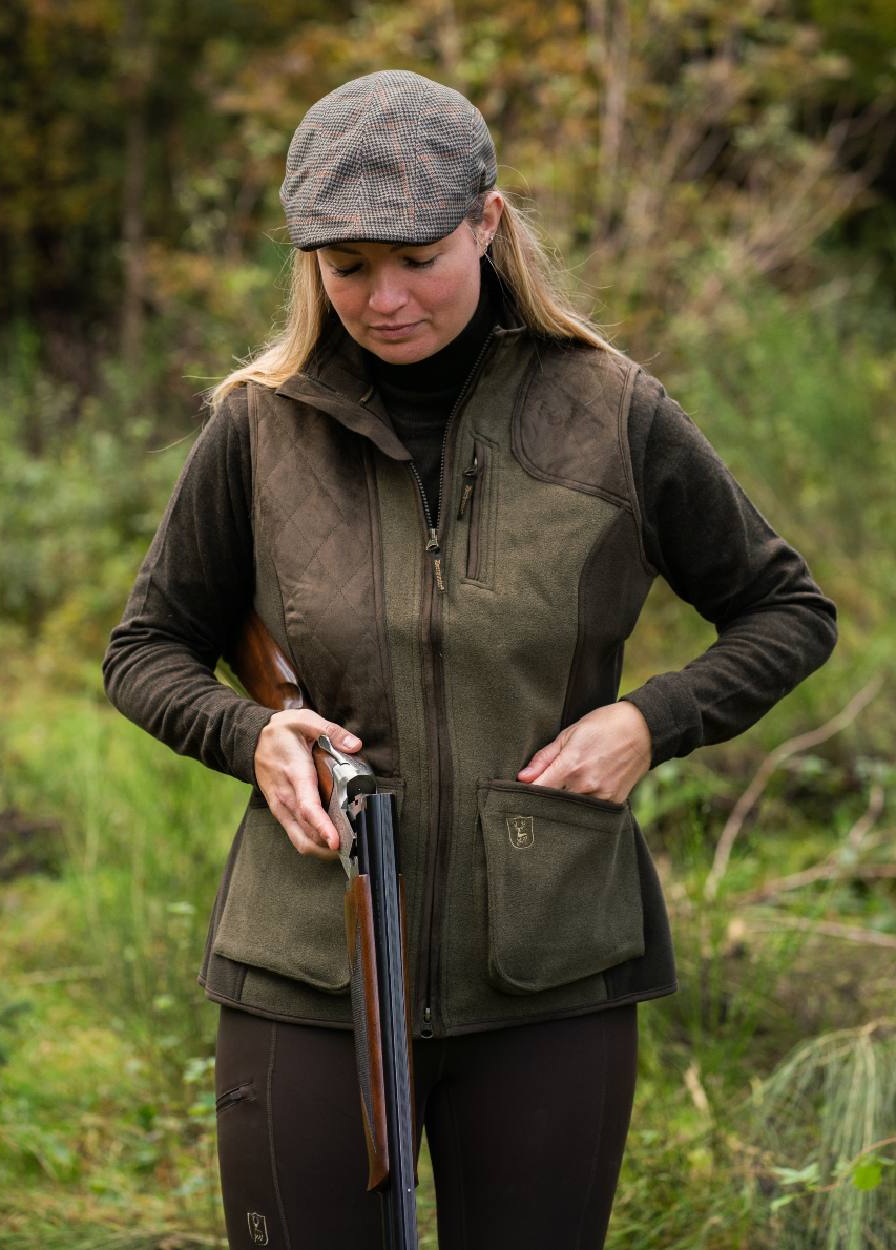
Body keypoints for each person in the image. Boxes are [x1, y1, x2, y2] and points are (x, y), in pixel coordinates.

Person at [102, 69, 837, 1249]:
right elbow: (146, 648)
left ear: (487, 223)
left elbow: (785, 610)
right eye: (347, 268)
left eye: (416, 258)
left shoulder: (613, 411)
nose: (383, 299)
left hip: (552, 964)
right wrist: (252, 734)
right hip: (308, 962)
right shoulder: (255, 427)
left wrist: (649, 719)